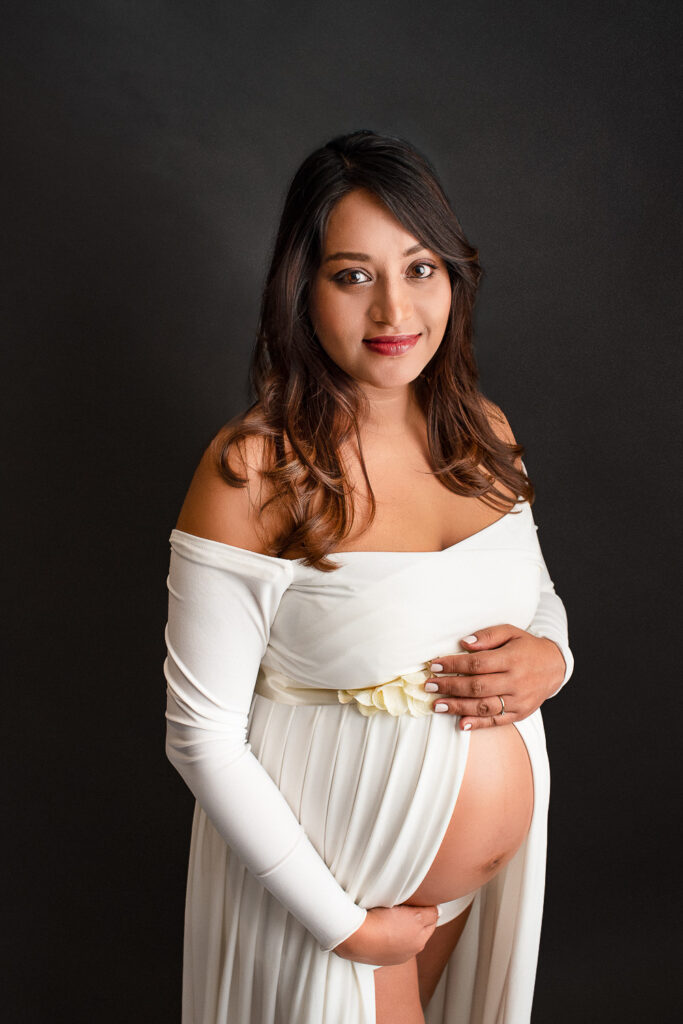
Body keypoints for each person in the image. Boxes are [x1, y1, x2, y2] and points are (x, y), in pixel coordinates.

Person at [164, 129, 574, 1024]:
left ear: (452, 278)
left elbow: (534, 598)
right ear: (300, 289)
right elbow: (199, 735)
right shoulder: (255, 468)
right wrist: (345, 926)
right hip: (333, 895)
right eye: (353, 276)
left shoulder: (482, 434)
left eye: (420, 268)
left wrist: (553, 657)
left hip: (463, 899)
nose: (395, 310)